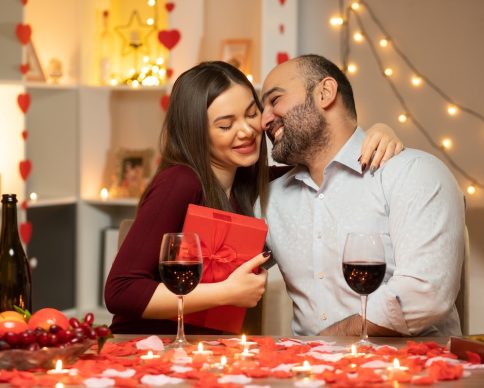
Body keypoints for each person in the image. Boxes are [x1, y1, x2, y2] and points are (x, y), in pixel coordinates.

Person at [105, 61, 403, 334]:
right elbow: (120, 291)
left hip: (211, 352)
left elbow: (324, 159)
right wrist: (227, 292)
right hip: (149, 347)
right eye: (225, 125)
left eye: (251, 114)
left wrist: (379, 132)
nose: (247, 130)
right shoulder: (180, 182)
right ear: (196, 132)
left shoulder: (259, 185)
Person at [256, 54, 465, 337]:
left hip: (411, 374)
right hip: (308, 376)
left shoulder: (413, 173)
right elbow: (220, 270)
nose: (263, 119)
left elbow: (424, 293)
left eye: (274, 100)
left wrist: (325, 343)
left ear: (325, 93)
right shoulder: (270, 201)